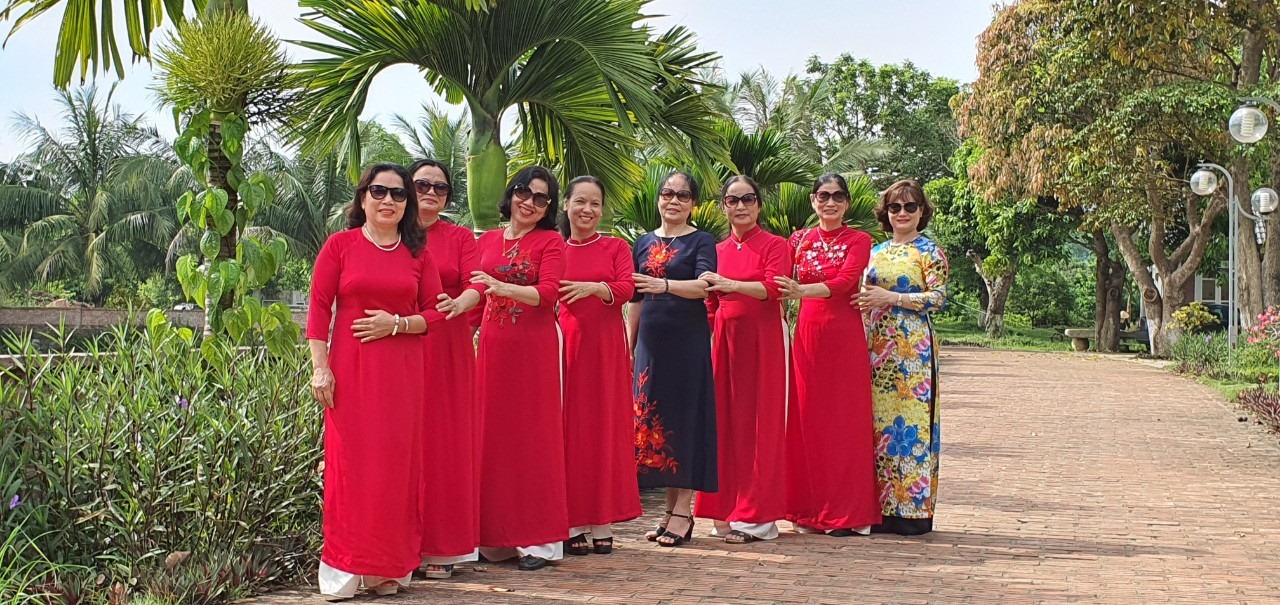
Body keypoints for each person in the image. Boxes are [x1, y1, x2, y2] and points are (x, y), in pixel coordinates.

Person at [306, 163, 446, 600]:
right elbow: (318, 310)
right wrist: (320, 367)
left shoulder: (418, 255)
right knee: (350, 469)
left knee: (395, 471)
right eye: (379, 191)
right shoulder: (340, 246)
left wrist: (398, 324)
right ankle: (344, 570)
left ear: (407, 204)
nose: (389, 200)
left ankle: (388, 569)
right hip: (350, 375)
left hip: (402, 377)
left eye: (399, 194)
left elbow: (436, 314)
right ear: (363, 197)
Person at [436, 166, 568, 570]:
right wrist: (458, 331)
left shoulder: (551, 241)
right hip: (493, 349)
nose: (529, 202)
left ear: (548, 207)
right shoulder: (487, 241)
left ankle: (538, 542)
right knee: (492, 438)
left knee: (533, 439)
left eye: (541, 198)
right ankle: (494, 538)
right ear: (510, 194)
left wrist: (501, 287)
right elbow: (475, 300)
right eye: (523, 192)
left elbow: (549, 294)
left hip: (535, 351)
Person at [774, 173, 880, 537]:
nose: (830, 202)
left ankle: (846, 512)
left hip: (843, 337)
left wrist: (801, 291)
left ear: (847, 203)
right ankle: (806, 509)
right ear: (813, 200)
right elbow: (777, 281)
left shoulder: (858, 240)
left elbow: (845, 282)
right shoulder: (798, 240)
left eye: (837, 196)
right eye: (823, 196)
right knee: (807, 420)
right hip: (806, 337)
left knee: (844, 421)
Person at [694, 175, 791, 544]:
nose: (740, 206)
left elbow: (773, 288)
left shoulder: (774, 245)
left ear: (759, 205)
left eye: (748, 199)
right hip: (724, 343)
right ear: (723, 207)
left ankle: (757, 519)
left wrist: (731, 285)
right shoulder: (715, 249)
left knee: (760, 425)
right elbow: (709, 304)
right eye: (732, 200)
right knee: (724, 424)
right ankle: (724, 510)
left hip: (763, 342)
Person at [853, 179, 949, 536]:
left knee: (913, 427)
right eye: (895, 207)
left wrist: (892, 298)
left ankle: (913, 512)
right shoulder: (874, 252)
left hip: (914, 351)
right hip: (877, 348)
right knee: (878, 427)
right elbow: (862, 296)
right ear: (886, 213)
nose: (902, 213)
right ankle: (879, 508)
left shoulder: (930, 251)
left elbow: (937, 298)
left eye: (910, 206)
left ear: (922, 211)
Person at [627, 170, 717, 548]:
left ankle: (683, 511)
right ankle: (668, 512)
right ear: (658, 199)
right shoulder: (643, 242)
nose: (674, 201)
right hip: (651, 346)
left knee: (684, 423)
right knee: (655, 427)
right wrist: (629, 347)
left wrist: (664, 285)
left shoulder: (701, 240)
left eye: (682, 195)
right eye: (667, 194)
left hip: (687, 345)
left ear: (693, 203)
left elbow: (704, 286)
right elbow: (635, 299)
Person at [556, 176, 642, 556]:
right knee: (570, 429)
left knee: (604, 428)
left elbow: (627, 289)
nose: (587, 210)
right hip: (565, 345)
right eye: (580, 201)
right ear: (566, 204)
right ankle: (572, 521)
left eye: (595, 203)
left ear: (602, 209)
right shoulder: (554, 248)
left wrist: (596, 288)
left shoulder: (615, 246)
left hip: (605, 348)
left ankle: (602, 519)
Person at [409, 159, 480, 579]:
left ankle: (441, 546)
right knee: (404, 443)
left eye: (440, 188)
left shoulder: (459, 237)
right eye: (422, 184)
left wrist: (459, 304)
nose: (431, 193)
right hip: (401, 345)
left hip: (448, 347)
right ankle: (399, 545)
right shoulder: (392, 234)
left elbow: (477, 284)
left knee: (444, 445)